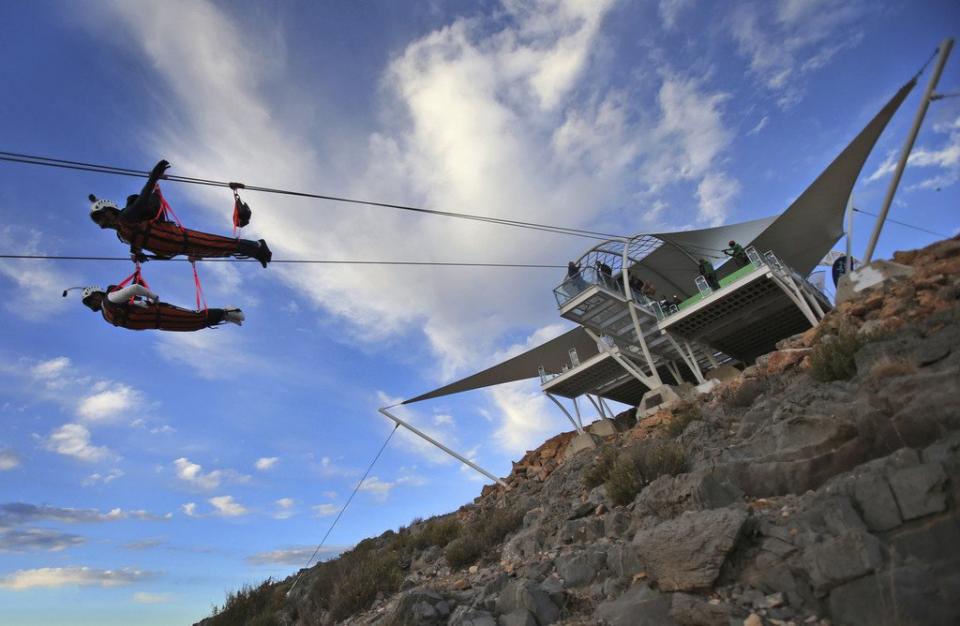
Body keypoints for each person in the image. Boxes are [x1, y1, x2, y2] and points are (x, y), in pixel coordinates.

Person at [88, 160, 272, 268]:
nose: (100, 222)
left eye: (101, 216)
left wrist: (153, 177)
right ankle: (256, 252)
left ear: (111, 212)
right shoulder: (122, 235)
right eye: (97, 220)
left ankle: (257, 246)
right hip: (174, 248)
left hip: (176, 238)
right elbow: (138, 243)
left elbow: (143, 199)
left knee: (217, 243)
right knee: (217, 251)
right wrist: (140, 254)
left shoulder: (126, 217)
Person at [78, 284, 244, 331]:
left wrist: (154, 297)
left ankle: (229, 312)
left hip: (159, 313)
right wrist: (140, 303)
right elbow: (130, 306)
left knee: (194, 317)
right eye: (88, 303)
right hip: (157, 323)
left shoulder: (110, 299)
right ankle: (226, 317)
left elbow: (135, 288)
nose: (91, 304)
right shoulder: (107, 313)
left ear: (98, 295)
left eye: (90, 299)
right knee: (192, 326)